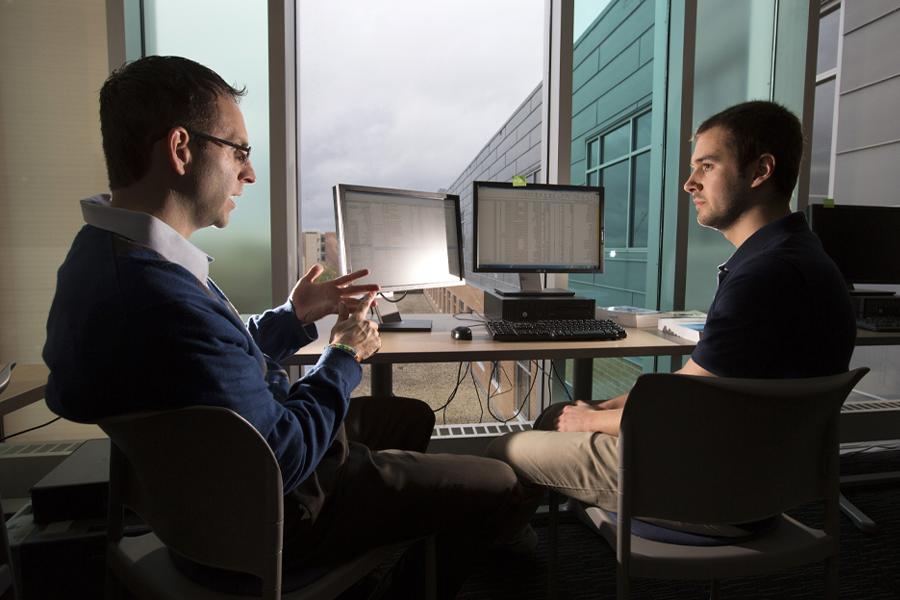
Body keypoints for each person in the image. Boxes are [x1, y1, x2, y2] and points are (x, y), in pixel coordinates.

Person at [43, 55, 535, 598]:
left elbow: (203, 361)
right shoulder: (158, 294)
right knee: (505, 486)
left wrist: (294, 315)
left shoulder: (104, 261)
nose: (248, 173)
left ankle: (388, 536)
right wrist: (344, 357)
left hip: (209, 496)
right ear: (182, 149)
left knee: (410, 415)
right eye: (239, 151)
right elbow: (286, 456)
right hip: (280, 510)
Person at [487, 100, 857, 533]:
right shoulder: (803, 258)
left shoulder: (762, 277)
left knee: (504, 450)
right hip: (764, 475)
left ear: (760, 171)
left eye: (707, 166)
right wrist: (610, 407)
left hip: (705, 486)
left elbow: (681, 413)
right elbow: (701, 384)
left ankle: (501, 555)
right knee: (557, 413)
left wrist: (593, 420)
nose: (689, 183)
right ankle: (510, 541)